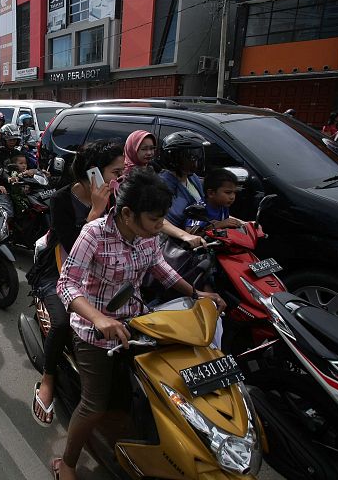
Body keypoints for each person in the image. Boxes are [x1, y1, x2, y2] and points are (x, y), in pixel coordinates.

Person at [52, 170, 225, 480]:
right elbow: (66, 284)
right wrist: (99, 318)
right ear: (127, 213)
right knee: (94, 405)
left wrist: (198, 294)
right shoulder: (94, 233)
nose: (160, 226)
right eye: (154, 220)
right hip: (95, 332)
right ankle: (67, 462)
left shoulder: (148, 235)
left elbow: (161, 269)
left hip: (137, 322)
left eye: (162, 220)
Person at [28, 139, 123, 427]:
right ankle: (48, 378)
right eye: (115, 172)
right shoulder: (61, 200)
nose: (119, 179)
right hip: (61, 271)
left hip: (104, 271)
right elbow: (74, 245)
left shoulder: (116, 197)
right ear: (93, 172)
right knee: (62, 321)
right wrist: (95, 212)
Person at [121, 130, 205, 248]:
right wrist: (184, 235)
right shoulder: (130, 179)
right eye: (144, 149)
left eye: (152, 148)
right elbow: (157, 218)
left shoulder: (155, 170)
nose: (149, 153)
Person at [158, 131, 206, 228]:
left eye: (197, 158)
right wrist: (185, 236)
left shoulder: (193, 178)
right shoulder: (163, 184)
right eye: (191, 158)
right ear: (175, 158)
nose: (195, 163)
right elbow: (159, 221)